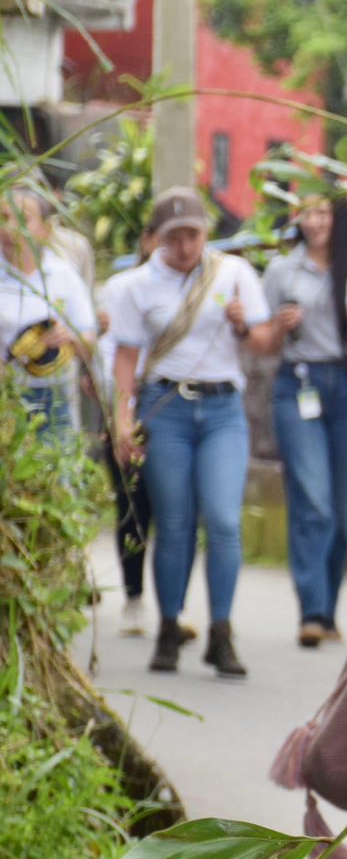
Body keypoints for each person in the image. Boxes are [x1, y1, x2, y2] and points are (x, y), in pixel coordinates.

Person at [108, 188, 282, 677]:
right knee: (175, 521)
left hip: (223, 408)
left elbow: (268, 343)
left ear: (207, 234)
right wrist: (124, 420)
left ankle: (221, 633)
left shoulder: (232, 274)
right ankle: (168, 625)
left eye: (193, 235)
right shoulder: (136, 286)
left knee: (224, 520)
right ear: (158, 240)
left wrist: (245, 327)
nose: (185, 246)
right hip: (167, 408)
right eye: (175, 237)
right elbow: (125, 361)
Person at [264, 196, 347, 647]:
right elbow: (262, 343)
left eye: (325, 212)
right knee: (313, 502)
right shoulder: (282, 272)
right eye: (308, 213)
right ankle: (312, 609)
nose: (317, 221)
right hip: (298, 382)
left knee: (342, 513)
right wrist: (280, 327)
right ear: (298, 219)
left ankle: (329, 608)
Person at [97, 222, 167, 638]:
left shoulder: (193, 295)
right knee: (132, 507)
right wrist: (117, 416)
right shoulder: (122, 289)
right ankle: (134, 595)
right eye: (162, 237)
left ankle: (170, 608)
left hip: (170, 411)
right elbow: (107, 356)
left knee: (171, 514)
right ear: (147, 241)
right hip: (127, 412)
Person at [2, 183, 97, 440]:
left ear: (44, 230)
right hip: (7, 400)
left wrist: (69, 338)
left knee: (59, 472)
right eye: (5, 217)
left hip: (57, 397)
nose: (11, 227)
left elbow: (89, 340)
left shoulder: (63, 274)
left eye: (24, 218)